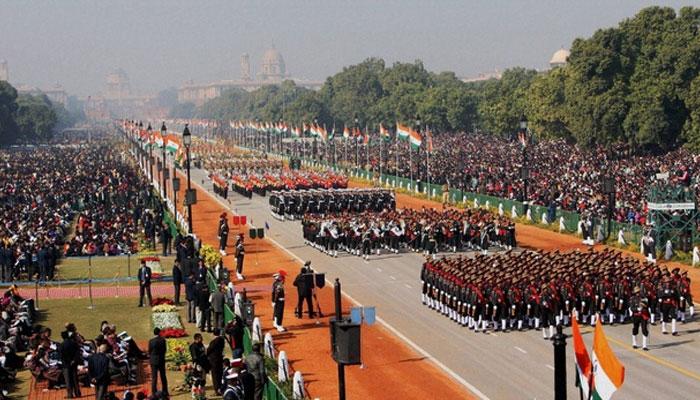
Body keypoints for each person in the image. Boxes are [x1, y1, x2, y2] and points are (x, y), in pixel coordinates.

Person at [60, 329, 81, 398]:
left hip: (66, 365)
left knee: (68, 380)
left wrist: (68, 361)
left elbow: (62, 356)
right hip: (73, 364)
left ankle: (70, 394)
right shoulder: (74, 343)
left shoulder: (62, 345)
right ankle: (77, 393)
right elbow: (78, 352)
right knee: (75, 379)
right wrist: (74, 360)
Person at [148, 328, 168, 397]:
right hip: (161, 360)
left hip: (154, 360)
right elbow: (165, 350)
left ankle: (154, 393)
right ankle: (165, 391)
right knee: (163, 376)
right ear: (159, 333)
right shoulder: (163, 340)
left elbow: (149, 351)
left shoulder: (151, 341)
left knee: (154, 377)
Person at [630, 287, 650, 351]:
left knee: (644, 329)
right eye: (636, 292)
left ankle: (644, 345)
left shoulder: (644, 298)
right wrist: (636, 309)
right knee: (635, 329)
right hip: (636, 316)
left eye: (638, 292)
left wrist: (644, 306)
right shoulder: (633, 299)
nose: (638, 293)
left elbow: (647, 305)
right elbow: (631, 308)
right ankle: (634, 343)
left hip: (643, 316)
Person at [207, 328, 226, 395]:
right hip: (220, 359)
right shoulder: (222, 340)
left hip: (214, 361)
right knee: (220, 374)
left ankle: (216, 390)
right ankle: (220, 388)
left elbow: (209, 350)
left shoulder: (214, 342)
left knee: (215, 376)